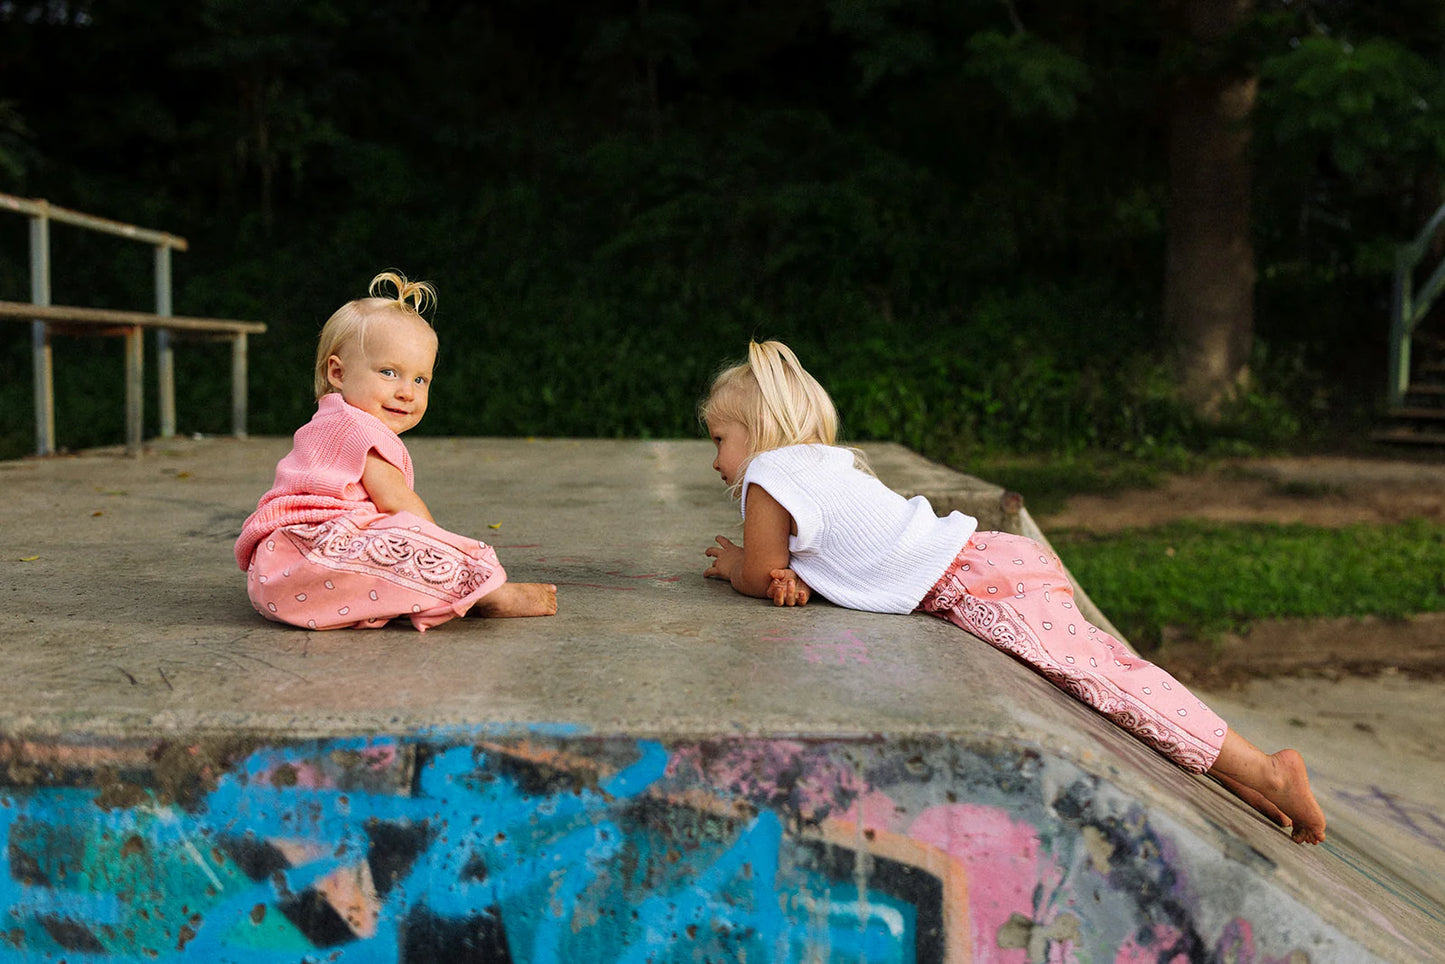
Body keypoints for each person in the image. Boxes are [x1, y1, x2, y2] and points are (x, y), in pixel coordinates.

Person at [700, 340, 1325, 844]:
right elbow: (827, 555)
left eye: (719, 440)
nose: (716, 460)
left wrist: (735, 567)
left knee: (1107, 681)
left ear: (757, 434)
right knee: (1113, 674)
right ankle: (1239, 772)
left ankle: (1267, 769)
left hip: (979, 583)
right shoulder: (821, 461)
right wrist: (801, 578)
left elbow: (760, 570)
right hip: (989, 561)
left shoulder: (768, 473)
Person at [235, 270, 556, 631]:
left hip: (275, 577)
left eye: (420, 379)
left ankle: (398, 597)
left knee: (381, 545)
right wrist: (441, 550)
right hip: (311, 556)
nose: (407, 392)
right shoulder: (360, 428)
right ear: (337, 373)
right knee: (407, 540)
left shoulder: (326, 420)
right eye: (389, 373)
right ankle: (484, 592)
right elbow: (399, 504)